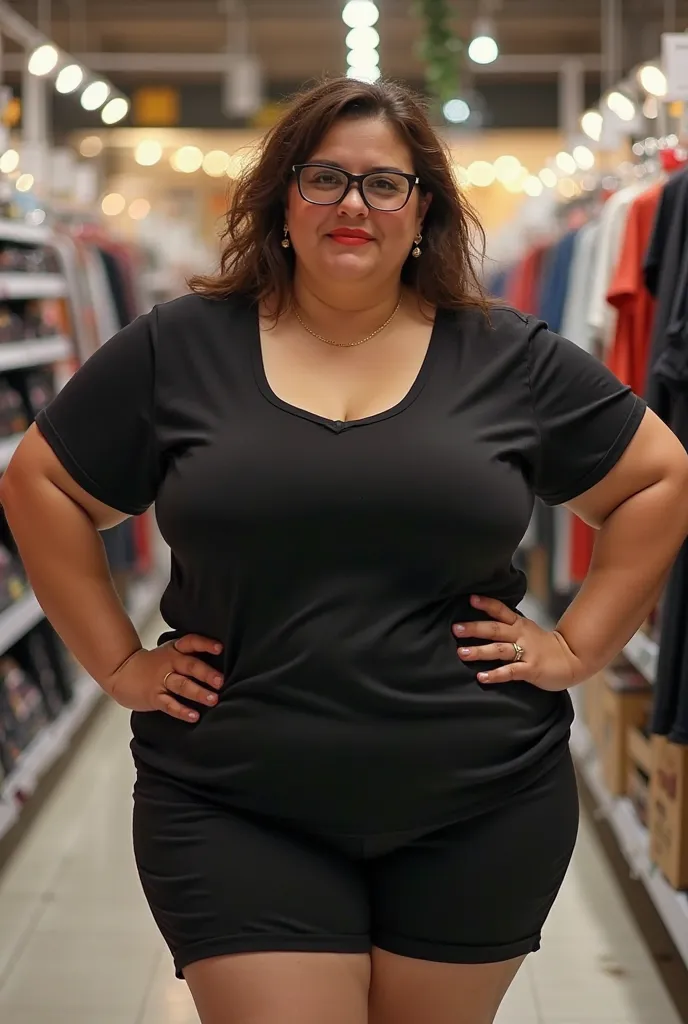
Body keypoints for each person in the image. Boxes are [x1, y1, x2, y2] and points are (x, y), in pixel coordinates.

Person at [2, 77, 688, 1024]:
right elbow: (39, 483)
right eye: (322, 179)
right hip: (234, 798)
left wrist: (578, 647)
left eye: (384, 185)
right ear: (282, 201)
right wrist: (117, 661)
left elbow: (661, 480)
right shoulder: (181, 348)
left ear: (424, 213)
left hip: (477, 804)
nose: (353, 205)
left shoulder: (504, 356)